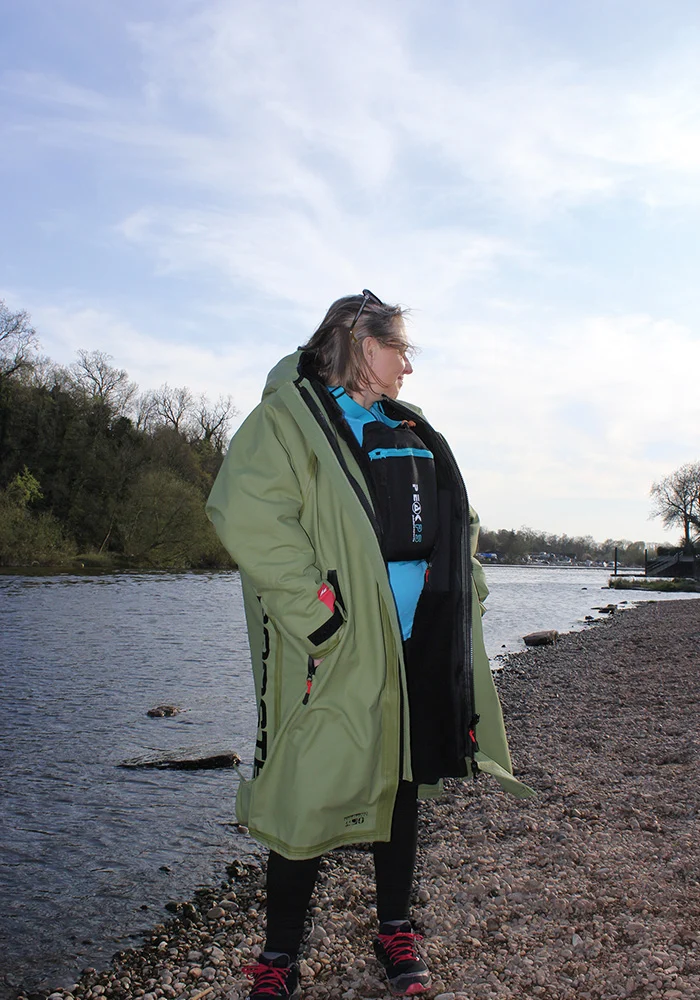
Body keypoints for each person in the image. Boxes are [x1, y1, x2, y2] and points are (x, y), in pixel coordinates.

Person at [206, 290, 533, 999]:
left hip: (416, 644)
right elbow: (249, 515)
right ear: (362, 344)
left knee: (402, 780)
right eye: (400, 350)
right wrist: (319, 619)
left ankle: (394, 927)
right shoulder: (286, 421)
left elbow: (460, 517)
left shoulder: (409, 427)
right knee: (303, 788)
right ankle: (278, 956)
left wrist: (468, 592)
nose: (408, 367)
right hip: (333, 650)